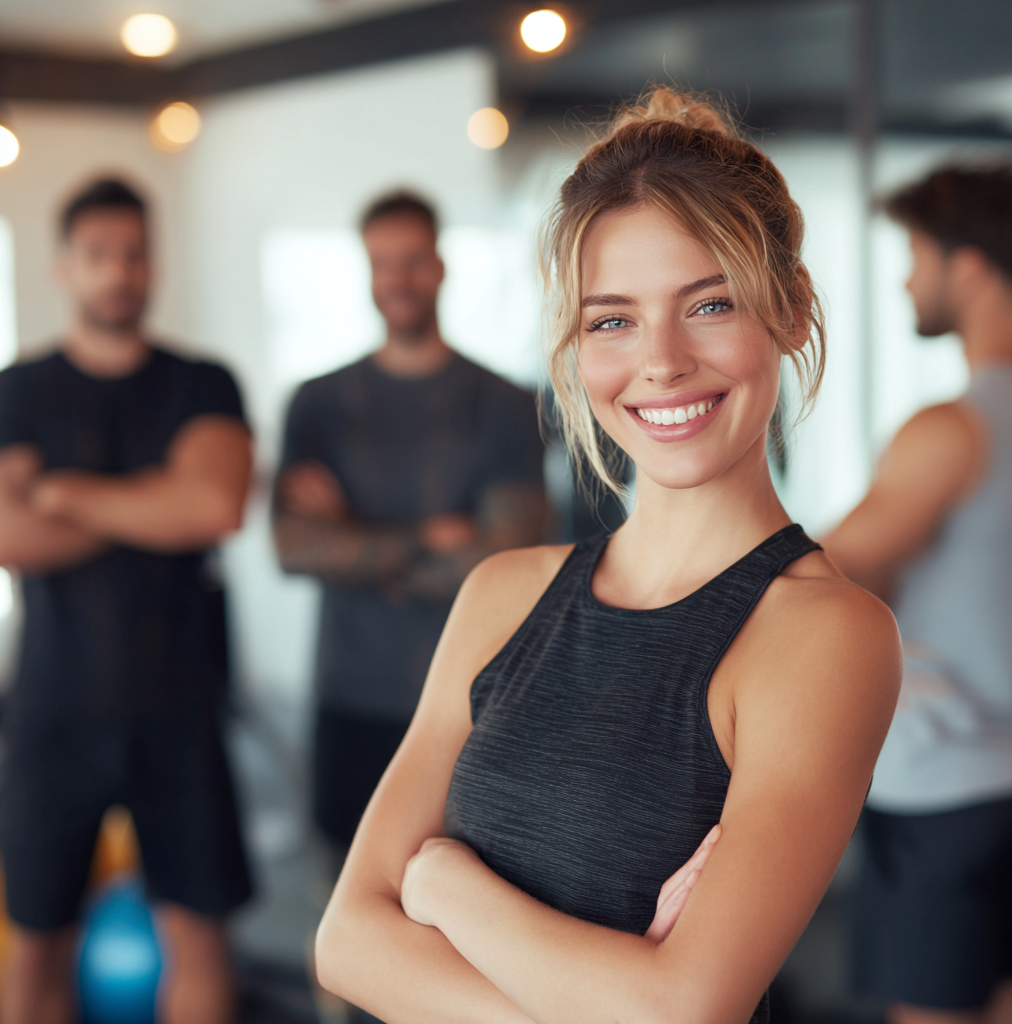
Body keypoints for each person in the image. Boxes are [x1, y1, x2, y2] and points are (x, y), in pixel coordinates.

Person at [313, 88, 901, 1024]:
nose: (660, 362)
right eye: (612, 320)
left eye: (709, 304)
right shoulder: (503, 592)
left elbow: (682, 1011)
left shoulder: (826, 636)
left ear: (791, 311)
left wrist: (442, 887)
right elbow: (345, 943)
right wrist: (600, 997)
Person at [0, 178, 253, 1024]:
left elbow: (212, 507)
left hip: (178, 706)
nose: (120, 271)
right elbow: (7, 537)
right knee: (34, 942)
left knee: (201, 940)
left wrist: (63, 492)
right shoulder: (17, 391)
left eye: (135, 253)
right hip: (50, 711)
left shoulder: (202, 382)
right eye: (100, 255)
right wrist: (153, 501)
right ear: (64, 267)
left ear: (154, 262)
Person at [273, 191, 548, 859]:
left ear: (441, 267)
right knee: (346, 903)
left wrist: (355, 542)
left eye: (412, 260)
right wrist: (428, 539)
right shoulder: (318, 405)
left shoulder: (505, 404)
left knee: (465, 905)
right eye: (381, 263)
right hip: (352, 695)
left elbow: (507, 561)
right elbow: (293, 548)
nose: (397, 278)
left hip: (474, 703)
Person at [824, 165, 1012, 1024]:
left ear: (969, 266)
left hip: (948, 796)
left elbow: (823, 575)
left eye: (915, 253)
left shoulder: (954, 428)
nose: (906, 277)